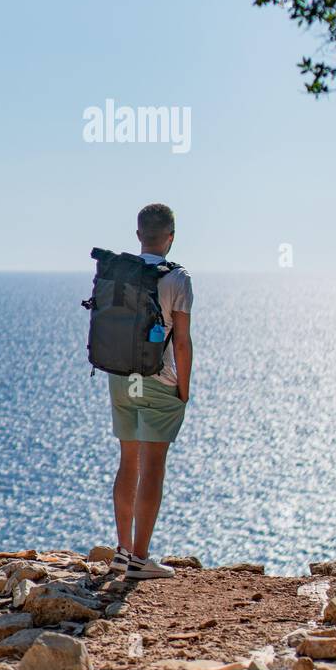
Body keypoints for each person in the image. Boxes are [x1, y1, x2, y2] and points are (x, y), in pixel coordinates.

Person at [107, 203, 193, 580]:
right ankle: (141, 559)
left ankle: (123, 552)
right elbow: (183, 343)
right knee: (153, 465)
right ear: (171, 237)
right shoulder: (178, 278)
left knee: (128, 460)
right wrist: (184, 390)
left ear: (139, 234)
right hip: (159, 381)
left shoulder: (120, 271)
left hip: (121, 377)